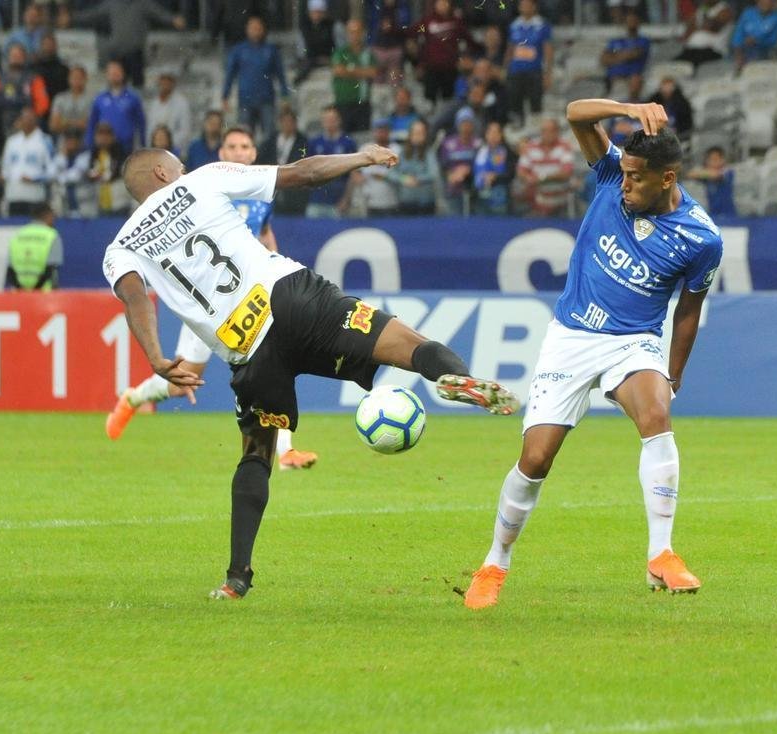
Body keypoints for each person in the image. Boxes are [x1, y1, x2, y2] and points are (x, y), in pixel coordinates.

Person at [103, 145, 520, 600]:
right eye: (176, 165)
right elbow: (302, 173)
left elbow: (135, 299)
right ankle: (453, 376)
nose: (181, 169)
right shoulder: (200, 180)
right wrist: (360, 157)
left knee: (256, 455)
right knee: (407, 345)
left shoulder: (120, 247)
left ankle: (237, 577)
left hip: (246, 349)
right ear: (163, 172)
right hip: (293, 299)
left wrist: (156, 356)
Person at [460, 98, 721, 610]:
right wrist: (626, 107)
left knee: (656, 414)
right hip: (571, 337)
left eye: (636, 178)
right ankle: (494, 563)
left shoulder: (701, 238)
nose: (624, 186)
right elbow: (576, 113)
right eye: (623, 174)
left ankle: (661, 553)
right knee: (536, 458)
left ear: (667, 178)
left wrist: (673, 373)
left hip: (633, 341)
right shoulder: (607, 177)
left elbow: (688, 311)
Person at [107, 123, 320, 469]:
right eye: (232, 147)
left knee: (275, 356)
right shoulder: (201, 188)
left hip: (248, 291)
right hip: (208, 301)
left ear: (253, 153)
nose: (239, 152)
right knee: (179, 385)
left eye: (245, 147)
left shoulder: (258, 196)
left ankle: (285, 451)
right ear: (222, 155)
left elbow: (265, 236)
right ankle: (132, 398)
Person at [63, 0, 185, 89]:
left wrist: (173, 19)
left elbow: (160, 14)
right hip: (117, 55)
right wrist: (73, 18)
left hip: (135, 53)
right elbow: (92, 15)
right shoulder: (112, 4)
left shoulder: (143, 4)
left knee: (138, 89)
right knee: (115, 88)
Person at [223, 16, 289, 140]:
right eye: (253, 28)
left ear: (263, 29)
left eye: (258, 28)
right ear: (247, 29)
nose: (256, 30)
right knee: (244, 135)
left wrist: (285, 95)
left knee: (270, 135)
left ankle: (268, 159)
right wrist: (225, 95)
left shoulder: (271, 50)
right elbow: (230, 74)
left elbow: (281, 75)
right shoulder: (239, 50)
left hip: (266, 98)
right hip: (246, 99)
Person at [506, 0, 554, 125]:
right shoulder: (514, 25)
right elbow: (510, 48)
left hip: (534, 71)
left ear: (534, 7)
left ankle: (536, 130)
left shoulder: (542, 24)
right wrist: (506, 68)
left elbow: (547, 49)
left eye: (527, 5)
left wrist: (548, 73)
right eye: (522, 5)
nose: (524, 7)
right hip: (516, 71)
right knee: (515, 103)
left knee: (535, 104)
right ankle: (517, 129)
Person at [516, 117, 575, 217]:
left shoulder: (564, 147)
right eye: (544, 130)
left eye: (551, 130)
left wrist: (542, 178)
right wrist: (528, 178)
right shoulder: (531, 147)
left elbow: (567, 172)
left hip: (560, 204)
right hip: (535, 203)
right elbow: (521, 171)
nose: (547, 134)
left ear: (557, 131)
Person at [305, 106, 357, 218]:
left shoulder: (348, 143)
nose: (329, 123)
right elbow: (307, 171)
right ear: (322, 122)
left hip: (338, 201)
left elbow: (353, 175)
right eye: (326, 119)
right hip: (316, 200)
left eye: (332, 119)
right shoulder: (314, 143)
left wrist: (346, 200)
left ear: (339, 120)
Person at [0, 107, 53, 216]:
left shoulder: (45, 140)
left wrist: (35, 178)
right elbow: (5, 168)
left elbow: (52, 170)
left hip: (35, 197)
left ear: (35, 120)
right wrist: (3, 176)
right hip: (13, 196)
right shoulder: (11, 141)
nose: (26, 121)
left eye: (29, 118)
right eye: (23, 118)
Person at [84, 60, 145, 154]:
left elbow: (141, 123)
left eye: (117, 72)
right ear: (107, 75)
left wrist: (143, 143)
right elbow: (92, 122)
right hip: (104, 147)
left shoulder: (133, 98)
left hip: (126, 147)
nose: (114, 75)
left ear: (123, 74)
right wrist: (89, 143)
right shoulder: (99, 98)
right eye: (111, 73)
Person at [416, 0, 469, 104]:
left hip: (450, 66)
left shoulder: (456, 21)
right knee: (429, 99)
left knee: (448, 98)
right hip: (431, 66)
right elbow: (420, 39)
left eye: (445, 3)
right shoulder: (427, 21)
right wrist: (421, 63)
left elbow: (466, 37)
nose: (443, 6)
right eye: (440, 3)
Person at [258, 107, 309, 216]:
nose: (287, 124)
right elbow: (260, 161)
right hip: (272, 189)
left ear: (295, 123)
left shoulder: (303, 142)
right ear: (280, 123)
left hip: (294, 193)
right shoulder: (270, 141)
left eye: (290, 121)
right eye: (285, 121)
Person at [331, 18, 378, 135]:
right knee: (344, 138)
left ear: (362, 33)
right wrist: (362, 72)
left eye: (357, 31)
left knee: (363, 137)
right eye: (351, 32)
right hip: (344, 102)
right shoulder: (341, 52)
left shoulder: (367, 53)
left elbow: (373, 72)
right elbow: (338, 70)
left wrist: (350, 69)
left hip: (363, 103)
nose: (354, 35)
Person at [5, 202, 61, 290]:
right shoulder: (52, 235)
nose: (54, 219)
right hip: (43, 295)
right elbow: (51, 270)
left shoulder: (18, 234)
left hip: (19, 295)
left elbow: (10, 269)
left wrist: (21, 289)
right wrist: (35, 291)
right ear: (48, 215)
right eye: (53, 216)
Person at [438, 106, 481, 215]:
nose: (466, 126)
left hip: (473, 190)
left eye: (468, 123)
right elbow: (443, 165)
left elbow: (482, 163)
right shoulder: (448, 143)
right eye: (463, 123)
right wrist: (452, 174)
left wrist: (468, 170)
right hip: (453, 190)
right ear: (458, 125)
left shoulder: (478, 144)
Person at [391, 119, 438, 215]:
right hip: (405, 203)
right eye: (415, 132)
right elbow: (391, 173)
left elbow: (434, 173)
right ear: (410, 134)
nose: (418, 136)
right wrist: (404, 179)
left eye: (421, 133)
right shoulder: (402, 153)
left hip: (426, 204)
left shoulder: (428, 152)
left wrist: (417, 179)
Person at [471, 120, 515, 215]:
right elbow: (473, 172)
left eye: (496, 132)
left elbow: (511, 174)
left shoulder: (507, 152)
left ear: (501, 135)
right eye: (490, 132)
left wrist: (496, 177)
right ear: (486, 135)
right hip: (480, 198)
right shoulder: (479, 151)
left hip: (500, 198)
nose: (493, 135)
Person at [674, 0, 734, 70]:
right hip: (692, 50)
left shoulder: (724, 10)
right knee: (674, 64)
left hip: (714, 51)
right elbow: (690, 27)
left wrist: (697, 27)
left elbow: (713, 28)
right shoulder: (702, 9)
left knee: (686, 66)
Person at [601, 10, 650, 92]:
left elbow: (634, 54)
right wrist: (625, 55)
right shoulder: (616, 40)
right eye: (629, 21)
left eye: (633, 21)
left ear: (638, 23)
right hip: (612, 77)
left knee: (635, 80)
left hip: (631, 76)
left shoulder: (643, 40)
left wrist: (615, 55)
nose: (631, 23)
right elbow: (604, 59)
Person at [87, 120, 128, 216]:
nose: (103, 138)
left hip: (119, 203)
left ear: (113, 137)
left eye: (107, 134)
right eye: (100, 134)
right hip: (99, 203)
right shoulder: (93, 154)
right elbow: (91, 173)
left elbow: (117, 173)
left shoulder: (121, 154)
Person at [732, 0, 777, 73]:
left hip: (767, 53)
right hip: (745, 53)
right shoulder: (747, 13)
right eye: (762, 3)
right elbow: (738, 35)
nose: (765, 5)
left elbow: (776, 39)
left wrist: (757, 41)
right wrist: (738, 52)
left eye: (768, 3)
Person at [51, 130, 93, 217]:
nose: (69, 144)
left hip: (84, 204)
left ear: (79, 142)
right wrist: (62, 157)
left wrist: (61, 175)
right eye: (68, 141)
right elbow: (52, 173)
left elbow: (74, 177)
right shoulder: (61, 156)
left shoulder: (86, 156)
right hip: (65, 204)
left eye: (72, 141)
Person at [146, 73, 191, 153]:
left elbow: (184, 130)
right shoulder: (154, 104)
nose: (165, 85)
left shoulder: (181, 103)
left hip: (175, 150)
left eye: (167, 82)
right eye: (162, 82)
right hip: (155, 149)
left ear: (173, 84)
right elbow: (150, 129)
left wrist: (167, 143)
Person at [688, 145, 736, 217]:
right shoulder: (706, 176)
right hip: (712, 215)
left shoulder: (728, 172)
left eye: (716, 159)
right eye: (710, 159)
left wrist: (701, 172)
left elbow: (716, 175)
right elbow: (690, 174)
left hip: (729, 215)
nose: (712, 163)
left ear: (723, 160)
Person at [49, 64, 90, 140]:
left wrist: (65, 122)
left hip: (84, 141)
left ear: (86, 79)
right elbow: (54, 125)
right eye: (74, 77)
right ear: (69, 79)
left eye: (79, 77)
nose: (76, 80)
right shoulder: (60, 98)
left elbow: (90, 124)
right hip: (63, 143)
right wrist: (78, 123)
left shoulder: (92, 100)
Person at [33, 33, 68, 99]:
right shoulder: (34, 67)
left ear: (56, 46)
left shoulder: (63, 69)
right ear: (41, 46)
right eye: (46, 44)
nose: (48, 47)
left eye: (51, 44)